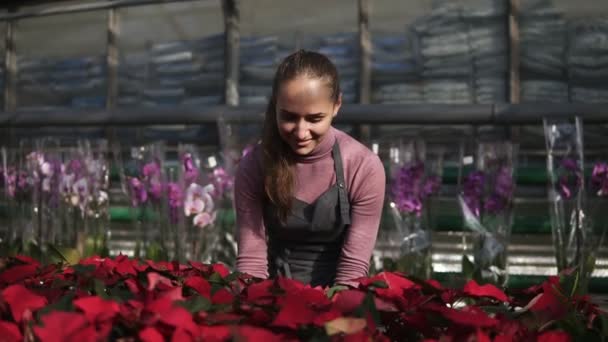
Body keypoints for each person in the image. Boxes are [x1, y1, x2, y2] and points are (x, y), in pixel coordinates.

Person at [234, 49, 386, 287]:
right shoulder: (255, 165)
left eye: (315, 119)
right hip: (273, 296)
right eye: (289, 117)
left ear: (337, 106)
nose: (301, 132)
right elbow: (251, 261)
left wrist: (335, 317)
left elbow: (353, 269)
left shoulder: (362, 166)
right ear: (275, 105)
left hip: (339, 296)